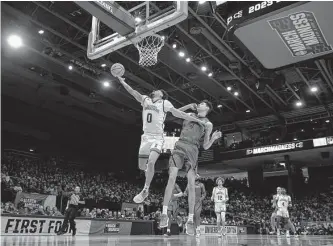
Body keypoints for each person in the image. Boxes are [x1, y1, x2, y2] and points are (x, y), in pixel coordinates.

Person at [117, 77, 204, 204]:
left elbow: (178, 113)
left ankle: (145, 190)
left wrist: (197, 120)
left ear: (162, 95)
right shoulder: (145, 99)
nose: (154, 90)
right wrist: (122, 81)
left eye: (157, 90)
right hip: (145, 137)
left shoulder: (165, 103)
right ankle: (147, 179)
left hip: (157, 137)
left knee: (151, 162)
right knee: (142, 167)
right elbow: (132, 91)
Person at [159, 100, 222, 236]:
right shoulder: (189, 114)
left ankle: (190, 220)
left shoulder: (208, 124)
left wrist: (214, 138)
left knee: (191, 185)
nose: (199, 104)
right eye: (198, 103)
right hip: (180, 145)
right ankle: (164, 213)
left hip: (193, 150)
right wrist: (188, 105)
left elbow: (205, 146)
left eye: (202, 104)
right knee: (171, 178)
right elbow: (173, 112)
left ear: (207, 108)